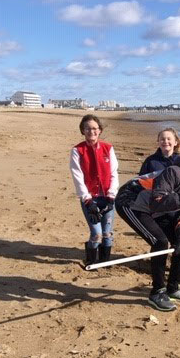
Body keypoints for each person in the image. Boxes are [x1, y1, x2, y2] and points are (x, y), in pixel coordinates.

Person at [115, 148, 180, 311]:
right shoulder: (174, 172)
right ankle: (157, 292)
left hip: (157, 208)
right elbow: (157, 202)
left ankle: (174, 288)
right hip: (131, 201)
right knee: (160, 242)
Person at [70, 114, 119, 267]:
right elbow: (77, 176)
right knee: (96, 234)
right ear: (83, 131)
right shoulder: (77, 151)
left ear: (100, 130)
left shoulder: (108, 148)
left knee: (107, 234)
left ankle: (104, 262)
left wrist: (111, 196)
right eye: (87, 129)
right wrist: (87, 200)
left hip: (107, 197)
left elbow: (113, 173)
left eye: (94, 128)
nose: (91, 132)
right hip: (90, 199)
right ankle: (91, 259)